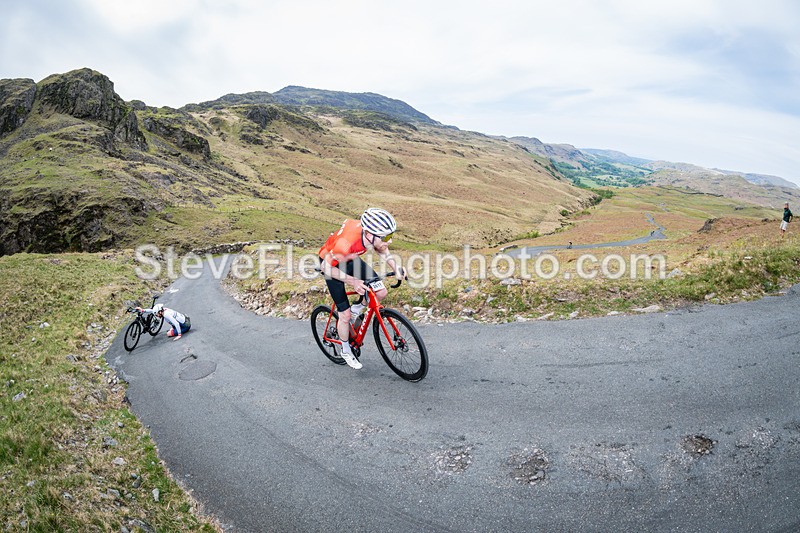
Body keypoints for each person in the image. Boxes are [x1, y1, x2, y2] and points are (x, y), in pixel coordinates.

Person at [318, 208, 406, 369]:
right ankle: (345, 350)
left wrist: (396, 266)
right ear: (369, 234)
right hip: (332, 265)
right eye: (386, 236)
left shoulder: (370, 236)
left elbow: (382, 248)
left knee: (380, 291)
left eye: (391, 235)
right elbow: (325, 268)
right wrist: (354, 282)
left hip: (350, 259)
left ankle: (357, 309)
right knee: (344, 315)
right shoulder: (346, 244)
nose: (390, 240)